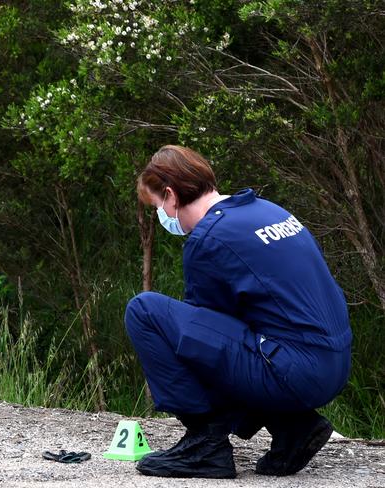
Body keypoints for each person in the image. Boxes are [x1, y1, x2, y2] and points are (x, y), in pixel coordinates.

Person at [125, 145, 351, 478]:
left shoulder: (208, 238)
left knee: (144, 311)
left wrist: (210, 414)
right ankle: (294, 427)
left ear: (171, 196)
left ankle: (205, 446)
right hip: (334, 365)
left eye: (158, 206)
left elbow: (204, 345)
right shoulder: (267, 211)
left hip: (297, 373)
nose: (162, 216)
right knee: (247, 334)